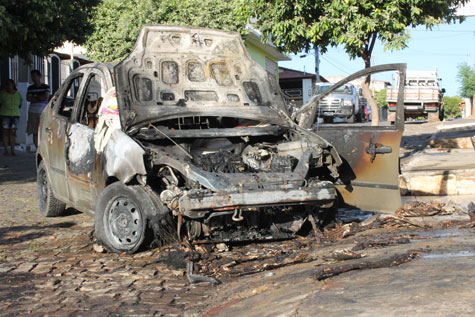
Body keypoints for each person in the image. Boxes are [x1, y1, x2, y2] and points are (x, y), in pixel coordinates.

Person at [26, 69, 49, 149]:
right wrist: (39, 97)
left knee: (43, 131)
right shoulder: (30, 88)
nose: (33, 78)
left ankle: (43, 148)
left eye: (35, 76)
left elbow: (46, 97)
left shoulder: (45, 87)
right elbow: (28, 98)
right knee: (35, 131)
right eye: (32, 76)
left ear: (39, 76)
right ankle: (37, 148)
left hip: (43, 111)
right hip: (33, 111)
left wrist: (35, 97)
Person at [0, 79, 23, 156]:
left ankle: (13, 149)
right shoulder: (2, 94)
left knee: (13, 132)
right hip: (5, 114)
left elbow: (20, 104)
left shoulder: (18, 94)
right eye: (7, 85)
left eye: (9, 84)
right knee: (5, 132)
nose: (8, 86)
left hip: (15, 115)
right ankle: (6, 150)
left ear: (13, 85)